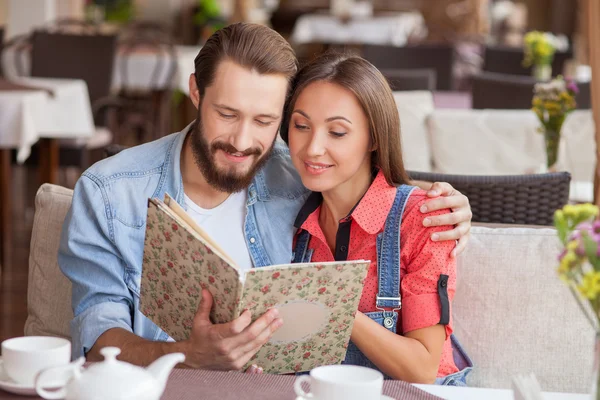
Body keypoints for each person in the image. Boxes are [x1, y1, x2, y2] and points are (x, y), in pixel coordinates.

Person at [58, 23, 473, 370]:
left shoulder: (299, 174)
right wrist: (187, 355)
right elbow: (99, 342)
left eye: (264, 121)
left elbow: (369, 183)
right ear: (196, 93)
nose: (242, 141)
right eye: (227, 114)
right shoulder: (109, 193)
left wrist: (444, 203)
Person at [279, 52, 473, 384]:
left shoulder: (424, 220)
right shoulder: (291, 218)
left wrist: (333, 307)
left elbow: (422, 368)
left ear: (374, 138)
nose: (312, 148)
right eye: (301, 126)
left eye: (337, 132)